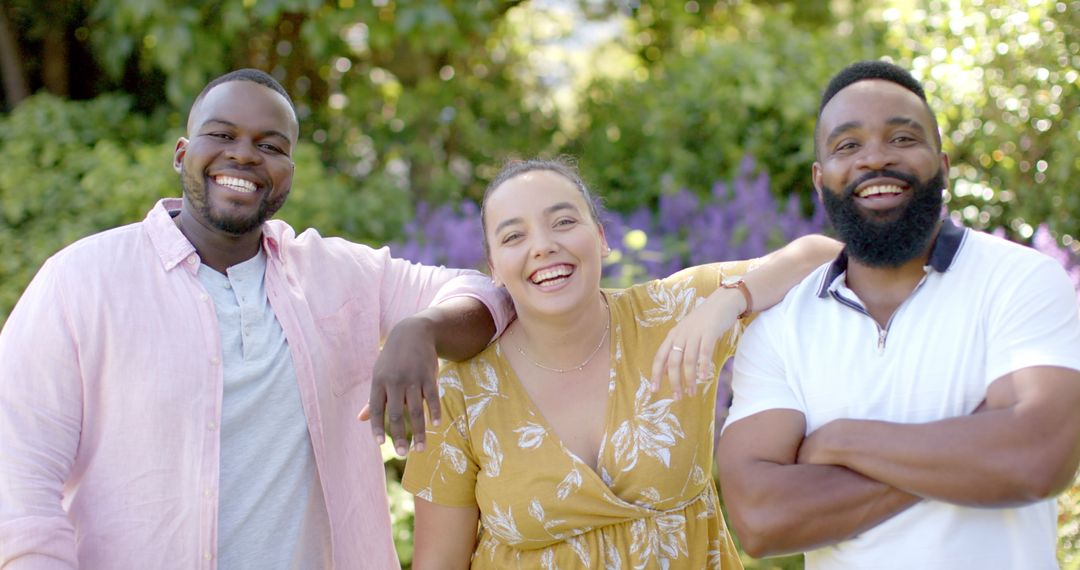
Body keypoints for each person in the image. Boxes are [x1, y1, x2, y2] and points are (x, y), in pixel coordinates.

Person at [0, 69, 513, 568]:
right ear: (182, 154)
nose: (244, 154)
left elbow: (488, 296)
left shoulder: (337, 274)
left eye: (270, 146)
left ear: (289, 170)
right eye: (222, 135)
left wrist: (419, 329)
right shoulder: (81, 280)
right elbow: (18, 477)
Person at [717, 60, 1080, 569]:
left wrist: (840, 441)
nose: (876, 159)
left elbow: (1036, 459)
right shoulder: (778, 331)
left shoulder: (1020, 281)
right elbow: (760, 519)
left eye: (903, 138)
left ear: (943, 165)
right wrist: (972, 449)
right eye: (848, 145)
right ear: (821, 181)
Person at [400, 158, 842, 569]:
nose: (543, 246)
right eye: (514, 236)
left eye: (564, 222)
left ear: (601, 238)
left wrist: (730, 299)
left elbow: (827, 255)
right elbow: (439, 562)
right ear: (494, 267)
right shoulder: (462, 391)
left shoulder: (668, 314)